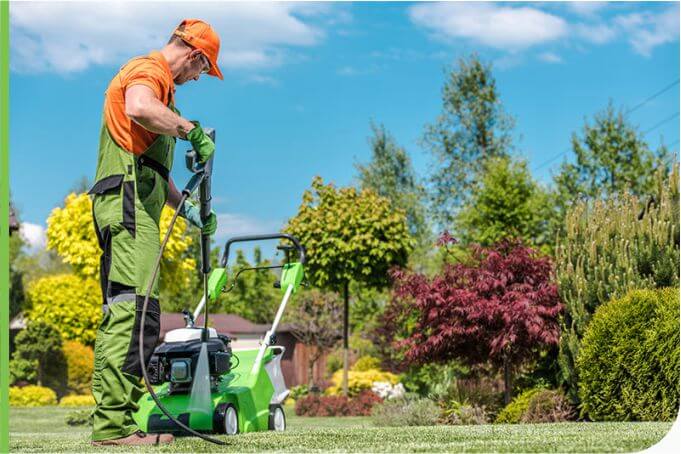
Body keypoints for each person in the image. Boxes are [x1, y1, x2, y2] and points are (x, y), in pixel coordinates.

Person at [88, 19, 222, 446]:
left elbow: (154, 171)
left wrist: (189, 212)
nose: (199, 78)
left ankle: (119, 421)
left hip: (138, 203)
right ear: (195, 55)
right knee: (132, 311)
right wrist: (190, 131)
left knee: (138, 310)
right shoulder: (148, 71)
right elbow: (138, 107)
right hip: (125, 203)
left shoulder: (167, 90)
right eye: (204, 69)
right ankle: (113, 429)